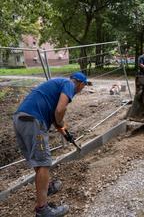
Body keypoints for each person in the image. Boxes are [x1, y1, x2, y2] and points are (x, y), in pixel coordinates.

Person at [13, 71, 89, 217]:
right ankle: (43, 210)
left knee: (39, 160)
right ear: (80, 83)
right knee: (44, 162)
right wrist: (61, 123)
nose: (81, 90)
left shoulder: (57, 85)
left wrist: (66, 134)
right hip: (33, 121)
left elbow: (55, 117)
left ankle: (46, 186)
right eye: (84, 86)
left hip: (21, 119)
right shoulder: (69, 84)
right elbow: (60, 111)